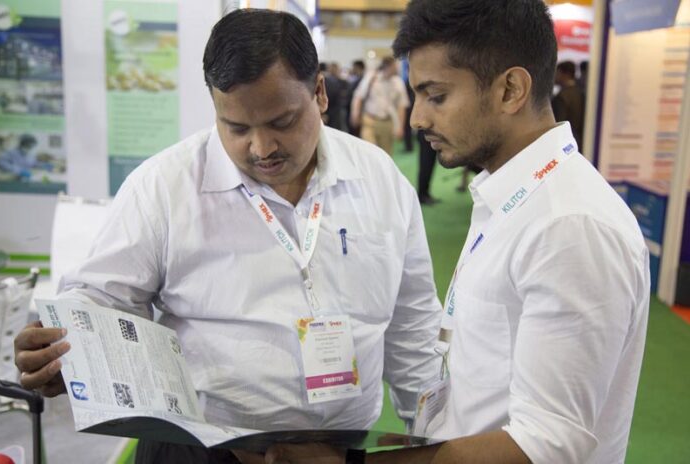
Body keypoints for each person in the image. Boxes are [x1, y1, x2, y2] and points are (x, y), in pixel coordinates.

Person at [13, 9, 442, 464]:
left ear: (319, 93)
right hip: (199, 450)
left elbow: (413, 327)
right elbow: (102, 298)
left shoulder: (380, 181)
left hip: (333, 452)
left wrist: (435, 437)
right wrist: (59, 347)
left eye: (281, 122)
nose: (261, 148)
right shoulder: (165, 186)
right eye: (236, 128)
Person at [267, 0, 650, 463]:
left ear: (510, 89)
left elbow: (547, 443)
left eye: (436, 96)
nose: (417, 118)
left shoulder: (569, 226)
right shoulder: (517, 195)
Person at [350, 57, 409, 157]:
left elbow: (402, 106)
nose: (397, 68)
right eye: (395, 66)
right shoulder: (371, 78)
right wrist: (355, 113)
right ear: (388, 67)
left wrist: (400, 127)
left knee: (385, 156)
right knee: (370, 154)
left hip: (387, 122)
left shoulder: (398, 82)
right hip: (370, 121)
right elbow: (358, 97)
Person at [552, 61, 585, 149]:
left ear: (565, 74)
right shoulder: (580, 93)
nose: (555, 76)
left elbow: (558, 122)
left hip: (564, 142)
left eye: (557, 73)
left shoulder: (562, 96)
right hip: (579, 142)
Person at [345, 60, 365, 138]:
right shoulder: (354, 79)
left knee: (356, 134)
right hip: (350, 109)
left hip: (357, 111)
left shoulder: (363, 81)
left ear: (358, 68)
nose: (352, 69)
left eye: (354, 67)